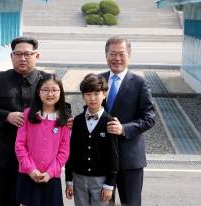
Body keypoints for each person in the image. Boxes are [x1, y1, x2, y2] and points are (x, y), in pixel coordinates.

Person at [0, 36, 46, 206]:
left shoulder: (47, 80)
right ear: (11, 56)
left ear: (36, 56)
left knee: (35, 198)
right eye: (18, 54)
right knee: (3, 198)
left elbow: (63, 108)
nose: (22, 58)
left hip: (37, 154)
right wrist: (6, 116)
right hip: (4, 152)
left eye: (27, 54)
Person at [100, 36, 155, 206]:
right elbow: (89, 112)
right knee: (102, 203)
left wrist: (123, 129)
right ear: (106, 55)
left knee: (130, 203)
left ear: (129, 55)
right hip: (101, 156)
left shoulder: (140, 83)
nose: (117, 58)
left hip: (129, 157)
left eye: (121, 54)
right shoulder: (97, 80)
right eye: (112, 54)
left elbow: (149, 117)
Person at [15, 73, 71, 206]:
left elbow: (64, 151)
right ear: (38, 92)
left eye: (54, 90)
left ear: (60, 93)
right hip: (28, 175)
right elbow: (20, 145)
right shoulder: (28, 114)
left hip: (51, 178)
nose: (49, 94)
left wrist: (50, 173)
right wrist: (31, 170)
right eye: (45, 90)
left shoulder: (64, 119)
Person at [65, 73, 119, 206]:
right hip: (79, 178)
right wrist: (69, 180)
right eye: (88, 94)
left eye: (96, 93)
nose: (92, 98)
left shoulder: (110, 121)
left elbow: (114, 155)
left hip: (101, 180)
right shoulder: (77, 121)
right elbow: (72, 152)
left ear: (104, 94)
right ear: (83, 96)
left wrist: (110, 184)